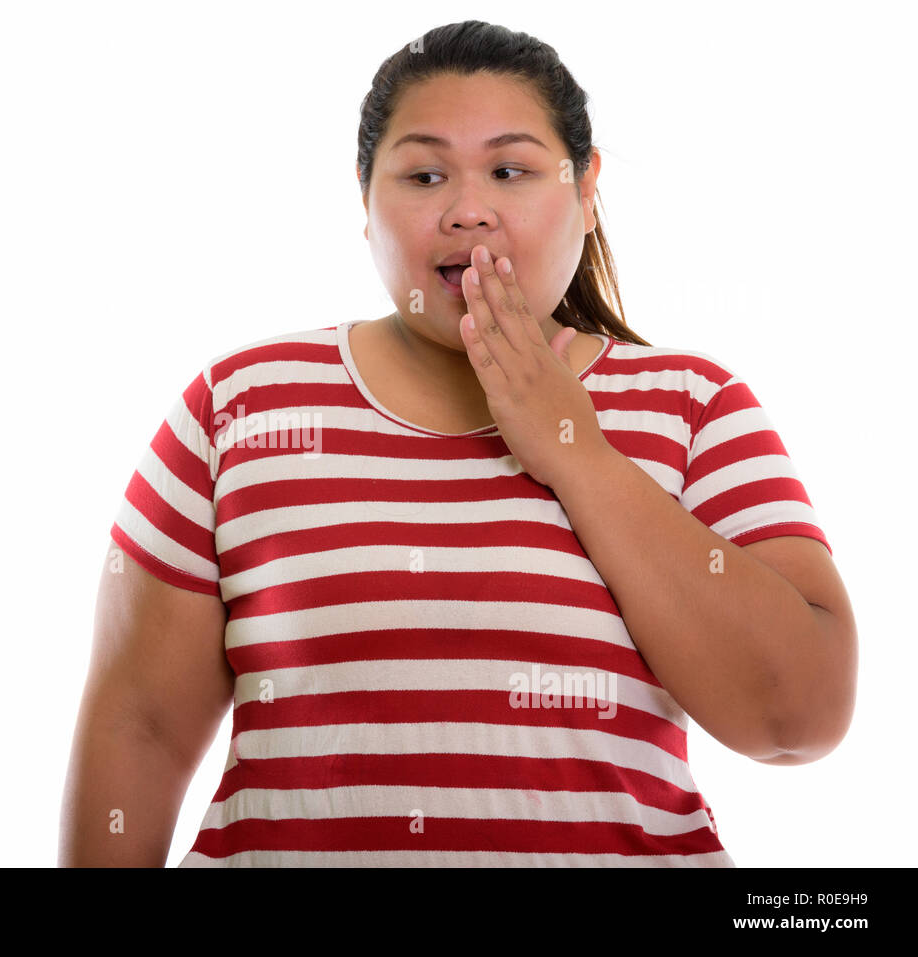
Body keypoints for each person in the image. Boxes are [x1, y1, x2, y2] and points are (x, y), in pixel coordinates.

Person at [60, 20, 857, 867]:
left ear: (585, 193)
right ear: (363, 200)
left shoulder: (695, 408)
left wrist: (574, 449)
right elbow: (137, 726)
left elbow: (797, 720)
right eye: (424, 174)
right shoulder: (239, 409)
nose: (467, 209)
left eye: (510, 170)